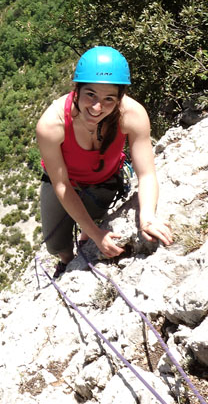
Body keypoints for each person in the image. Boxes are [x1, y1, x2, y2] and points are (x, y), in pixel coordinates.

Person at [36, 46, 172, 271]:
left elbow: (146, 173)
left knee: (92, 226)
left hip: (105, 179)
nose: (97, 108)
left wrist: (147, 217)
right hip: (61, 182)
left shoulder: (132, 115)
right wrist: (95, 233)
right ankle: (67, 261)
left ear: (120, 97)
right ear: (77, 90)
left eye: (109, 98)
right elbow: (62, 185)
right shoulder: (52, 125)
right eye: (91, 94)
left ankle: (83, 242)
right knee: (56, 244)